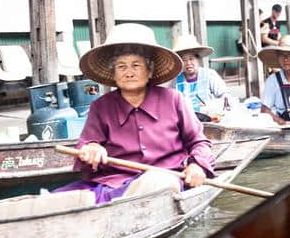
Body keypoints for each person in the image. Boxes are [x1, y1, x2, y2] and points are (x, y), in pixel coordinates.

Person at [55, 23, 216, 204]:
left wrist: (197, 166)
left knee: (158, 182)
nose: (129, 72)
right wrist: (91, 149)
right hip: (112, 186)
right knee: (54, 201)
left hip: (166, 179)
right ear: (113, 73)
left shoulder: (174, 100)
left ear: (150, 71)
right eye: (121, 66)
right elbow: (87, 145)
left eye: (136, 65)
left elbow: (199, 142)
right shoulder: (101, 107)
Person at [172, 34, 233, 116]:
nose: (188, 63)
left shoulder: (209, 75)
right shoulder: (175, 81)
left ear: (198, 60)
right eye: (184, 60)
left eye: (191, 59)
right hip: (185, 122)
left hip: (209, 119)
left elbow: (224, 95)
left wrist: (217, 105)